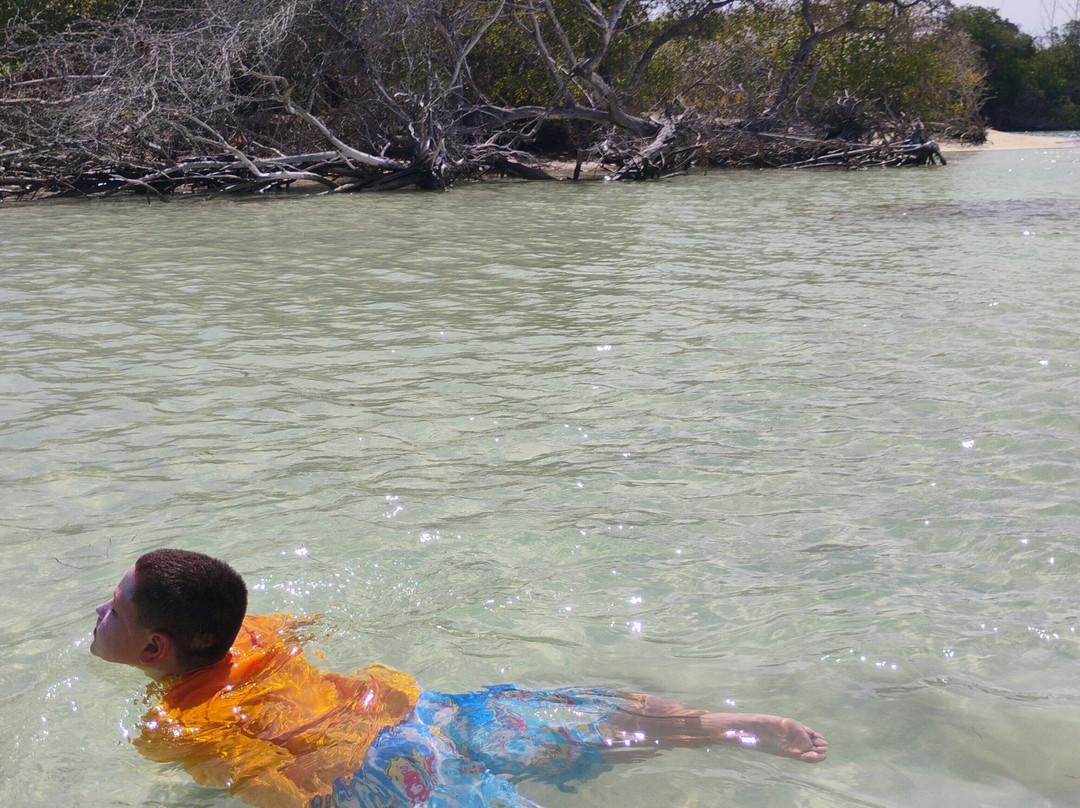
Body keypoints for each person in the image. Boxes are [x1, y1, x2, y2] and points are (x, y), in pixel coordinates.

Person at [92, 549, 827, 808]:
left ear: (155, 649)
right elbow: (303, 624)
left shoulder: (178, 725)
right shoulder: (255, 630)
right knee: (574, 725)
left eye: (114, 610)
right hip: (416, 714)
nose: (101, 611)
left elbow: (266, 787)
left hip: (380, 775)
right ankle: (710, 727)